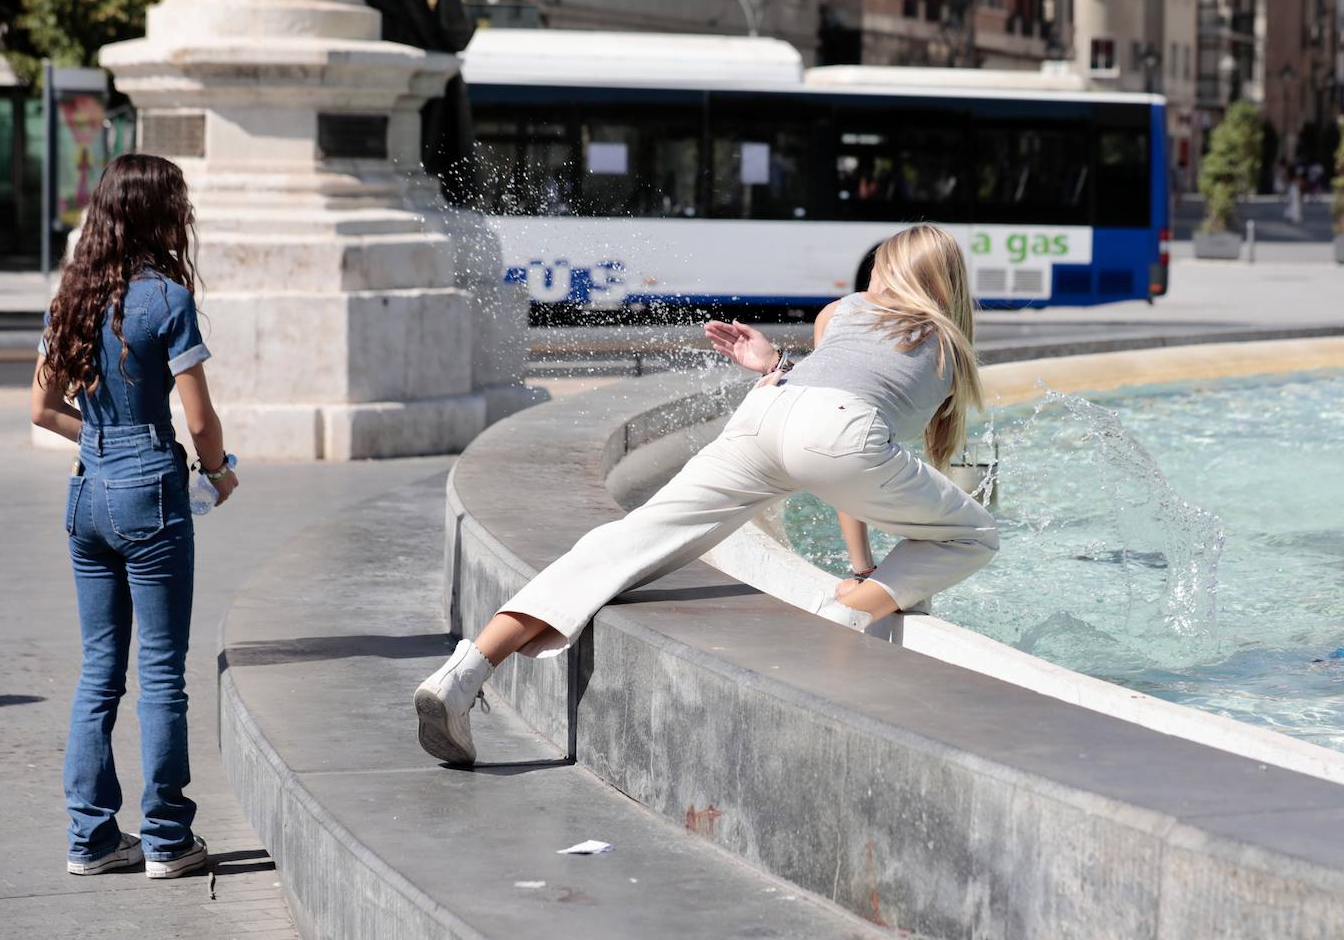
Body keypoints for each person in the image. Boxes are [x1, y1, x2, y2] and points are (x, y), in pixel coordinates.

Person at [414, 224, 1000, 766]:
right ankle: (848, 612)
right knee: (974, 534)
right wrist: (868, 579)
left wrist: (775, 363)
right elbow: (847, 457)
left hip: (766, 408)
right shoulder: (949, 347)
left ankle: (466, 671)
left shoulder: (840, 311)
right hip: (836, 430)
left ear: (889, 272)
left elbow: (826, 397)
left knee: (624, 543)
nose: (870, 276)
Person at [31, 153, 238, 878]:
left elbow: (41, 408)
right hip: (151, 489)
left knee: (98, 672)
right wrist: (217, 471)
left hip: (87, 492)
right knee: (161, 672)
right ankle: (167, 839)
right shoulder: (167, 299)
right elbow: (201, 419)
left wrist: (99, 438)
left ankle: (90, 838)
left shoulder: (72, 298)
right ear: (157, 214)